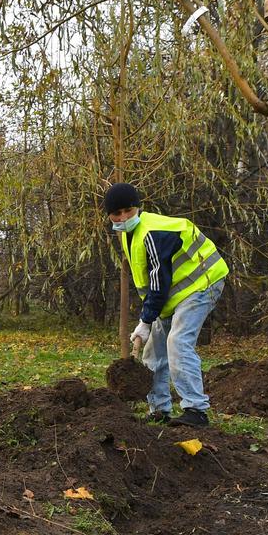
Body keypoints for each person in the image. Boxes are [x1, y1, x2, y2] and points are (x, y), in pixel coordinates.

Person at [104, 183, 229, 427]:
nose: (123, 217)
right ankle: (160, 409)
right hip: (176, 295)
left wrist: (146, 320)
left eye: (128, 210)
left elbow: (159, 282)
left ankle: (196, 410)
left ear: (137, 207)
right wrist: (148, 318)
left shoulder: (152, 232)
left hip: (202, 283)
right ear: (109, 215)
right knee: (153, 351)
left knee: (178, 341)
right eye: (116, 214)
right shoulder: (130, 234)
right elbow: (152, 282)